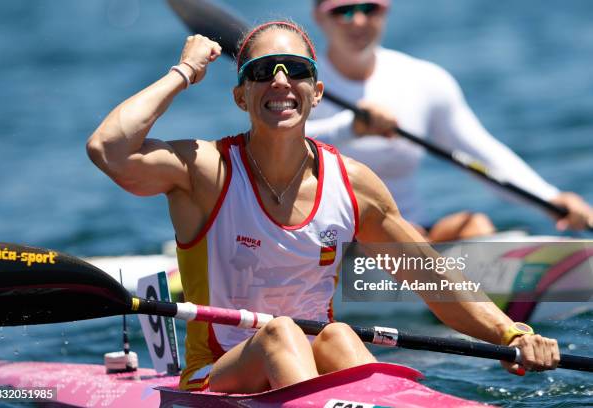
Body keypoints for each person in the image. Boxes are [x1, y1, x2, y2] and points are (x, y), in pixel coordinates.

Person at [87, 20, 559, 394]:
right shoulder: (203, 170)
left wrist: (511, 335)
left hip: (316, 364)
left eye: (295, 69)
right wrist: (184, 72)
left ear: (316, 91)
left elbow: (430, 277)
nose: (279, 81)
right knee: (282, 333)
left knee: (337, 336)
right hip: (218, 374)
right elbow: (108, 149)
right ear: (241, 96)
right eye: (261, 71)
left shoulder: (354, 186)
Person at [308, 0, 593, 242]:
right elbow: (272, 146)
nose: (358, 21)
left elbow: (481, 154)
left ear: (386, 10)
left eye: (370, 8)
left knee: (475, 227)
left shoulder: (423, 80)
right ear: (319, 16)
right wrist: (351, 128)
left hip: (413, 235)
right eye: (343, 10)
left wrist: (552, 199)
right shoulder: (299, 85)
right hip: (333, 243)